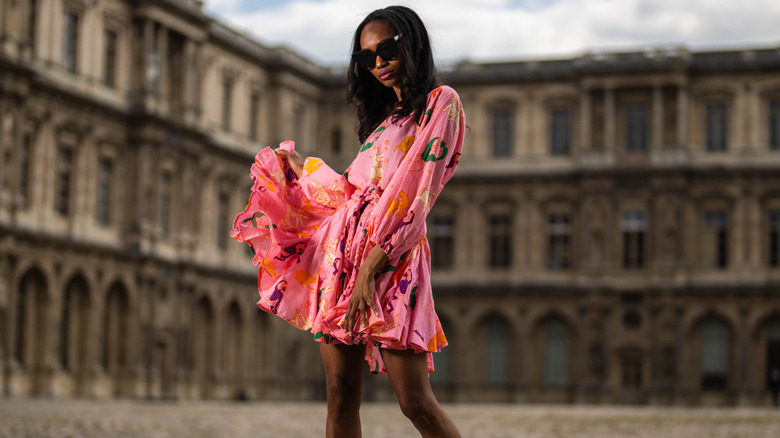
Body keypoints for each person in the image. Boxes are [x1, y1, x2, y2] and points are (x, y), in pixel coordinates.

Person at [231, 5, 464, 437]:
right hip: (341, 262)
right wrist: (300, 170)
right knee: (340, 394)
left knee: (414, 402)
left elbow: (413, 197)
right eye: (366, 57)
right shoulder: (381, 126)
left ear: (413, 44)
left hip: (391, 263)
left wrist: (370, 270)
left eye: (388, 49)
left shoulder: (440, 104)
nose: (378, 63)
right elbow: (349, 199)